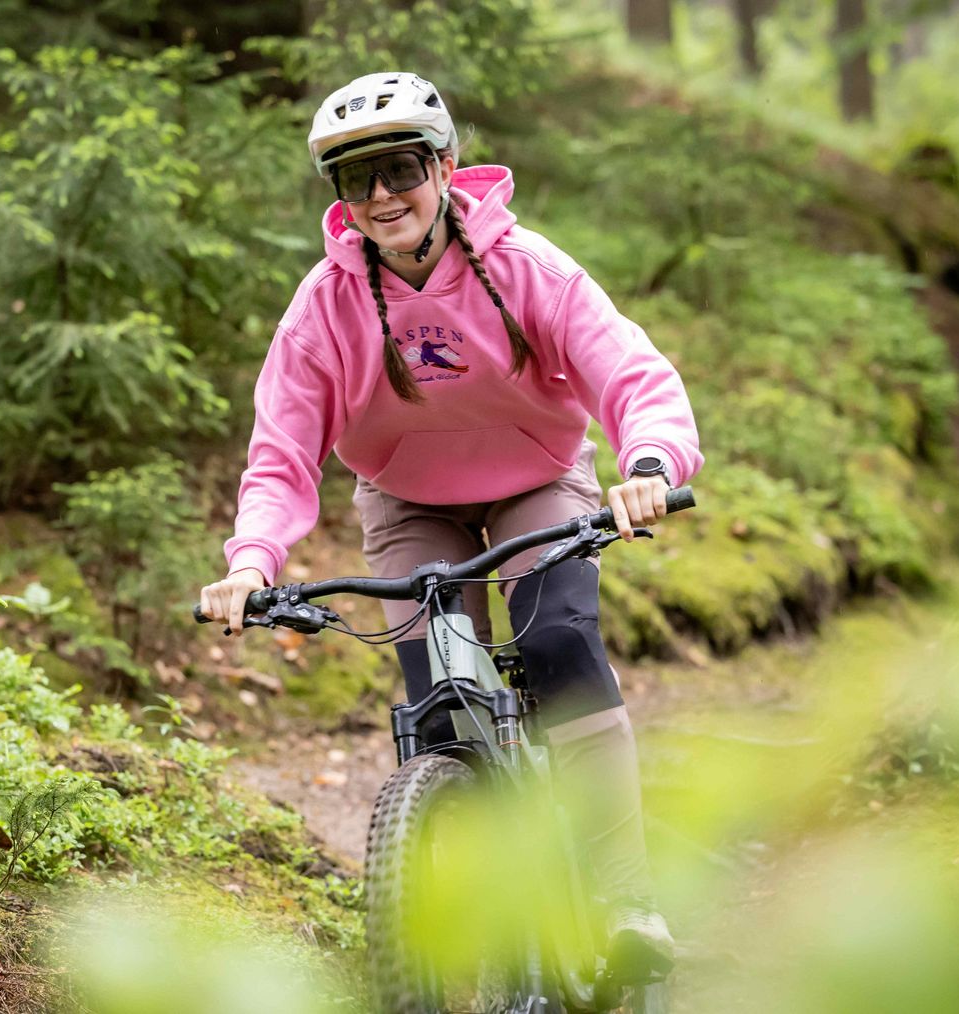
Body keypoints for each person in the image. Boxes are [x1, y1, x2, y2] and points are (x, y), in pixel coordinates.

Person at [197, 72, 701, 976]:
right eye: (358, 180)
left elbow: (628, 372)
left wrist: (652, 466)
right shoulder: (324, 307)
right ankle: (461, 906)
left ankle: (625, 896)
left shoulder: (527, 267)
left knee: (557, 644)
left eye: (400, 169)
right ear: (341, 199)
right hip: (406, 500)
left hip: (535, 482)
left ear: (444, 166)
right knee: (437, 698)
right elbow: (281, 451)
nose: (383, 195)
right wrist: (251, 561)